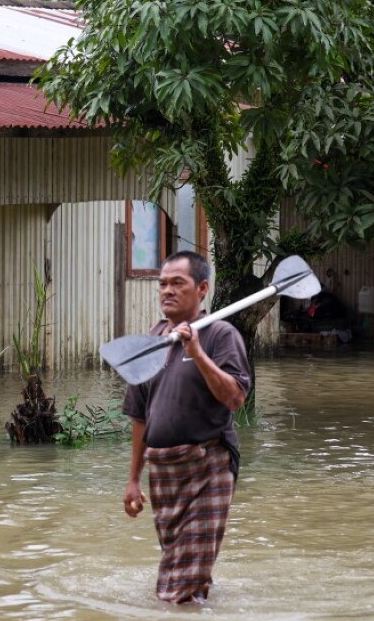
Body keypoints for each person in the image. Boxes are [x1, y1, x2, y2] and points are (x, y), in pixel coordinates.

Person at [121, 250, 251, 604]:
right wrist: (133, 479)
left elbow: (235, 398)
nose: (167, 291)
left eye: (178, 283)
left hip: (208, 464)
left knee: (177, 586)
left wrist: (196, 351)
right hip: (163, 469)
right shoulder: (152, 340)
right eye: (162, 284)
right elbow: (139, 415)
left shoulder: (221, 335)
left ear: (202, 288)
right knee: (184, 569)